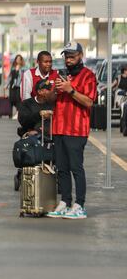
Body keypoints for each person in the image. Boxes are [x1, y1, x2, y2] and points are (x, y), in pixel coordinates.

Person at [46, 42, 97, 220]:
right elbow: (52, 99)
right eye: (66, 57)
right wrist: (53, 90)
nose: (68, 60)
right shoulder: (61, 75)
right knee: (62, 168)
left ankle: (80, 205)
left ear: (80, 56)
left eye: (72, 56)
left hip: (76, 130)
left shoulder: (88, 76)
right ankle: (65, 202)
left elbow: (89, 102)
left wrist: (71, 90)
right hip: (59, 127)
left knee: (76, 168)